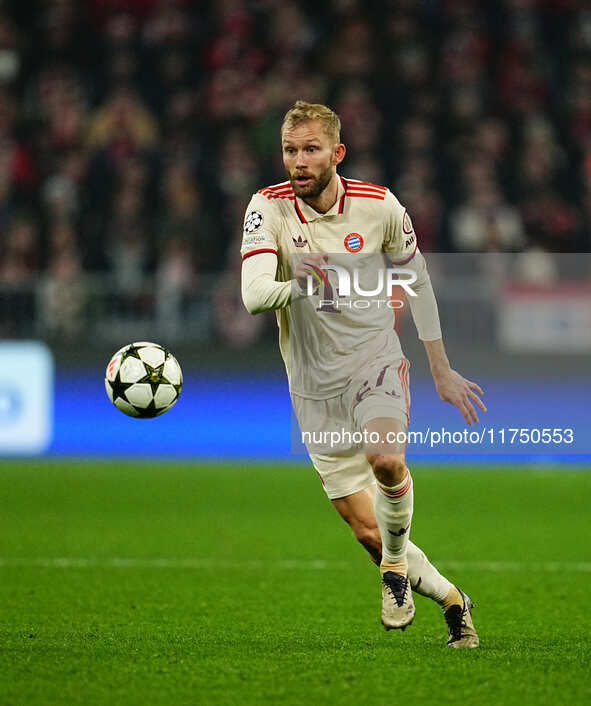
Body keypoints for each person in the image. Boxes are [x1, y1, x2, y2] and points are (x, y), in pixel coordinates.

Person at [240, 101, 486, 647]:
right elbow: (255, 295)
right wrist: (305, 282)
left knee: (387, 459)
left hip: (374, 363)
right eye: (289, 151)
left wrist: (440, 370)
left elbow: (417, 282)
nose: (298, 162)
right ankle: (452, 599)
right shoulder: (268, 208)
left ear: (337, 153)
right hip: (312, 388)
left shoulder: (380, 207)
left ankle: (394, 574)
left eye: (310, 149)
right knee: (369, 531)